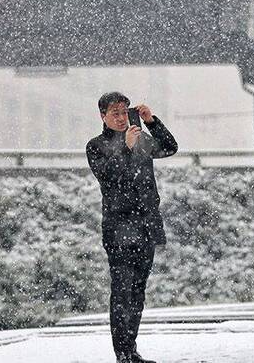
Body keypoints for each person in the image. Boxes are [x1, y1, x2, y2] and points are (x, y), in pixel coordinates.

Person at [86, 92, 178, 363]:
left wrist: (152, 121)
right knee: (122, 290)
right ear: (103, 116)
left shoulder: (141, 137)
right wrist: (124, 147)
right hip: (119, 227)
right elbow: (109, 176)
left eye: (124, 112)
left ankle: (131, 351)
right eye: (114, 113)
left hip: (146, 224)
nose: (121, 117)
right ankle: (122, 353)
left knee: (138, 290)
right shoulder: (96, 146)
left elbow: (170, 147)